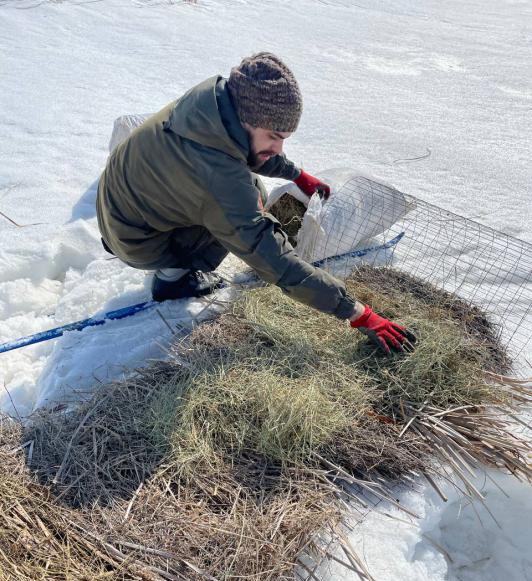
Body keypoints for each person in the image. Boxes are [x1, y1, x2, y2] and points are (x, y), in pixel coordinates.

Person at [97, 52, 414, 354]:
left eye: (284, 139)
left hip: (121, 211)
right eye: (274, 136)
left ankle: (181, 255)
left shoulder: (211, 105)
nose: (279, 148)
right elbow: (273, 258)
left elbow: (241, 149)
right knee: (242, 211)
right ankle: (172, 278)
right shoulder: (218, 180)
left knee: (253, 188)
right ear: (248, 119)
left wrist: (296, 174)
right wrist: (356, 312)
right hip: (137, 240)